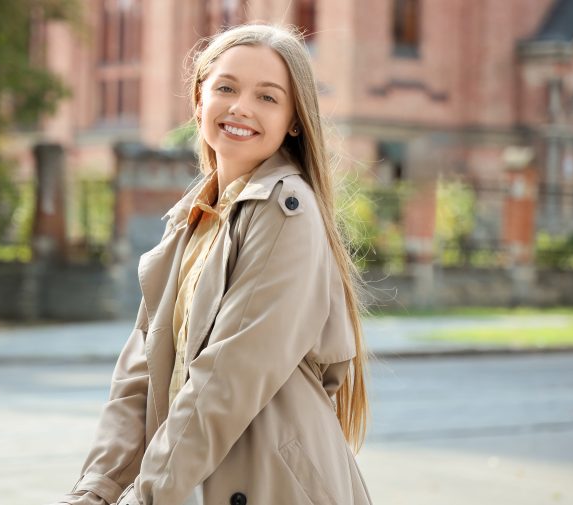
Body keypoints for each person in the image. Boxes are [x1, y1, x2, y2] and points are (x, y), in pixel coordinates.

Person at [49, 23, 372, 505]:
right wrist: (96, 489)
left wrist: (146, 494)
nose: (241, 107)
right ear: (199, 100)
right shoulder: (192, 218)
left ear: (294, 120)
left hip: (277, 486)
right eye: (226, 88)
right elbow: (140, 374)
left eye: (267, 97)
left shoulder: (286, 212)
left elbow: (228, 378)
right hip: (194, 480)